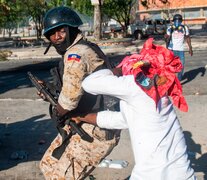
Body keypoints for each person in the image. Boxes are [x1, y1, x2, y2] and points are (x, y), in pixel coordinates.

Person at [72, 38, 196, 180]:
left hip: (151, 175)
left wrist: (117, 70)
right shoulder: (156, 88)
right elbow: (121, 119)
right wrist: (81, 117)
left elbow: (89, 83)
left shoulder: (134, 85)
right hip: (182, 174)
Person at [39, 6, 120, 180]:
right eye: (52, 34)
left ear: (72, 28)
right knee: (47, 165)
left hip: (97, 128)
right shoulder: (84, 47)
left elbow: (68, 101)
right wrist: (49, 91)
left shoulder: (76, 54)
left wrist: (58, 113)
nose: (57, 37)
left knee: (59, 177)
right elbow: (75, 89)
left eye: (61, 30)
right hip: (83, 120)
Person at [165, 14, 193, 81]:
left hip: (181, 50)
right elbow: (167, 39)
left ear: (181, 21)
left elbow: (188, 38)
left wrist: (190, 48)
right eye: (175, 21)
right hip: (172, 50)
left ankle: (178, 79)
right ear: (173, 21)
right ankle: (172, 79)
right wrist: (166, 37)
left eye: (179, 21)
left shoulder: (184, 28)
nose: (177, 22)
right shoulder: (170, 28)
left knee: (182, 66)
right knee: (171, 66)